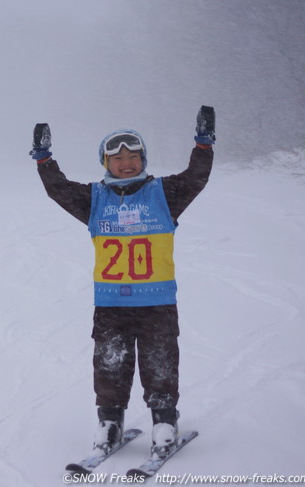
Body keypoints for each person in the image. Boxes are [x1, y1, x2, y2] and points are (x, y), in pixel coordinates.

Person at [32, 106, 215, 460]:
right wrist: (44, 160)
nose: (126, 163)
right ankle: (109, 422)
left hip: (157, 301)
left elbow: (196, 177)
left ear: (143, 158)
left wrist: (203, 146)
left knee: (159, 362)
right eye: (117, 158)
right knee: (110, 366)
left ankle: (164, 423)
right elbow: (58, 189)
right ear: (105, 162)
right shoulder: (94, 199)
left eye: (133, 156)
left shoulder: (165, 193)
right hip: (111, 302)